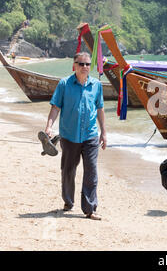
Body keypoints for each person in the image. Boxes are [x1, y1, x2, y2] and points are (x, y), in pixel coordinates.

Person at [44, 52, 107, 220]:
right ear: (74, 65)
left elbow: (100, 109)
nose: (84, 67)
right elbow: (56, 107)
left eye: (87, 64)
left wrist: (104, 133)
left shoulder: (96, 85)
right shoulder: (64, 84)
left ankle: (90, 209)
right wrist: (49, 127)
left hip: (90, 135)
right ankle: (68, 201)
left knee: (91, 172)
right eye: (81, 64)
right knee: (68, 170)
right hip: (69, 136)